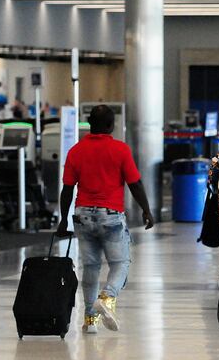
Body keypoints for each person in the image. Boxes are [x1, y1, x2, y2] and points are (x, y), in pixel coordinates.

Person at [56, 105, 155, 334]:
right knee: (121, 263)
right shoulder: (120, 150)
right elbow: (135, 183)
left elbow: (67, 189)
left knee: (90, 267)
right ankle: (107, 297)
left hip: (82, 215)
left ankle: (90, 321)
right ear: (111, 126)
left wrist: (63, 220)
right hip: (110, 215)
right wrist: (147, 210)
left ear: (90, 124)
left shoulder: (76, 151)